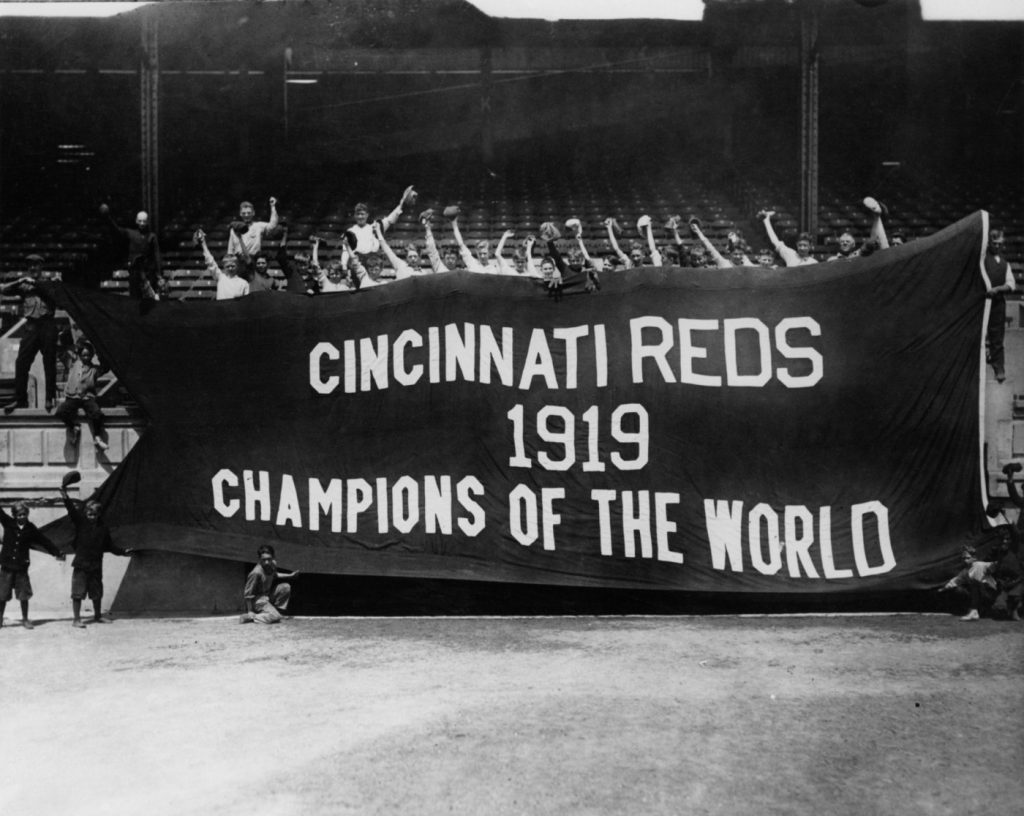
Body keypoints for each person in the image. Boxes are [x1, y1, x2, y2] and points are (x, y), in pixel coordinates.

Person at [59, 471, 132, 628]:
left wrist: (123, 552)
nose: (91, 516)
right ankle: (76, 619)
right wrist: (64, 495)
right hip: (80, 565)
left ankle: (98, 616)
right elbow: (71, 510)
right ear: (85, 513)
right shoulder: (81, 523)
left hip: (95, 566)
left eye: (94, 514)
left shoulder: (103, 529)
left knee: (96, 593)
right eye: (89, 513)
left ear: (99, 514)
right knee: (77, 593)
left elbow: (110, 546)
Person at [2, 255, 58, 414]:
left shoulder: (50, 283)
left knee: (49, 362)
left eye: (36, 266)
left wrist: (36, 284)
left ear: (41, 267)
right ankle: (21, 399)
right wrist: (20, 281)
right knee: (21, 362)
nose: (33, 269)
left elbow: (52, 294)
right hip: (31, 325)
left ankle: (50, 397)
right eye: (30, 266)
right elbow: (3, 289)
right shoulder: (24, 285)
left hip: (47, 323)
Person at [0, 502, 64, 629]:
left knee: (24, 594)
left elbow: (44, 541)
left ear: (27, 514)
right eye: (18, 515)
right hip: (7, 566)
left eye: (24, 514)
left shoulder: (31, 528)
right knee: (2, 595)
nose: (21, 517)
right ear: (14, 515)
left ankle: (25, 619)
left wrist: (56, 552)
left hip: (21, 567)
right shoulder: (8, 523)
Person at [99, 203, 162, 300]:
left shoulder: (152, 236)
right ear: (136, 221)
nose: (142, 223)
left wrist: (159, 275)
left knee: (149, 301)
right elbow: (116, 230)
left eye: (144, 221)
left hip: (148, 274)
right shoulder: (130, 233)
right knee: (134, 300)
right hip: (134, 273)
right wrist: (108, 218)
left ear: (147, 222)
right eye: (140, 221)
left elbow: (157, 255)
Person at [55, 340, 109, 452]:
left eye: (88, 355)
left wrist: (99, 351)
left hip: (87, 398)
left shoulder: (94, 369)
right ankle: (74, 427)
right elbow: (61, 354)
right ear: (79, 355)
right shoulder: (72, 364)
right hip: (72, 397)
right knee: (61, 412)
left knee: (96, 413)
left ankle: (97, 437)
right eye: (83, 355)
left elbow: (106, 367)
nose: (86, 357)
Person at [345, 186, 416, 259]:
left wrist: (401, 203)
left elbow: (390, 219)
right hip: (358, 264)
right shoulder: (350, 231)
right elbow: (345, 251)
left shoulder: (375, 227)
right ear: (354, 216)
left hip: (373, 264)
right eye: (358, 214)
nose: (360, 217)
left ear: (367, 215)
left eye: (362, 214)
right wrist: (344, 267)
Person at [985, 228, 1015, 383]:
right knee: (978, 335)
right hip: (982, 303)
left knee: (997, 337)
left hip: (997, 304)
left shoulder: (1005, 264)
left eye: (999, 244)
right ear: (989, 242)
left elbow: (1011, 285)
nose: (997, 246)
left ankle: (999, 367)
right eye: (994, 243)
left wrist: (997, 289)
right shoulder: (982, 260)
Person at [241, 544, 299, 624]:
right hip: (258, 601)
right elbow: (248, 594)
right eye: (263, 560)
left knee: (285, 587)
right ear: (259, 559)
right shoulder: (256, 573)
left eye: (269, 559)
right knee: (275, 617)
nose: (267, 562)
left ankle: (276, 612)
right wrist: (250, 611)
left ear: (273, 557)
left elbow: (274, 574)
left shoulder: (272, 564)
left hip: (267, 596)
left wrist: (290, 575)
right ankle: (251, 617)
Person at [196, 229, 250, 300]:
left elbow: (247, 303)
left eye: (233, 266)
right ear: (224, 267)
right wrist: (203, 244)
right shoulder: (221, 278)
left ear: (237, 266)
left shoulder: (244, 283)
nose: (230, 268)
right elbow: (210, 262)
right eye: (228, 266)